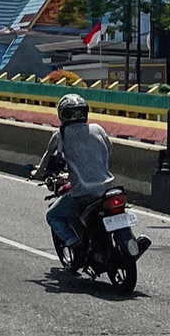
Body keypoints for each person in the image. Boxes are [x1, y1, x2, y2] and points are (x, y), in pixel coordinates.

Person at [34, 92, 115, 253]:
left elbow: (48, 158)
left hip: (83, 193)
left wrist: (38, 173)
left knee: (53, 216)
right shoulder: (98, 129)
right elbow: (109, 149)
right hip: (109, 190)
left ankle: (74, 244)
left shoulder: (61, 134)